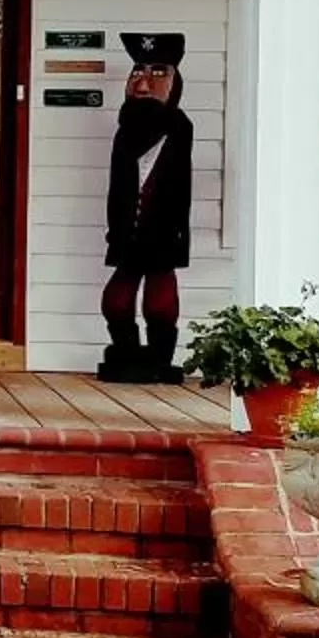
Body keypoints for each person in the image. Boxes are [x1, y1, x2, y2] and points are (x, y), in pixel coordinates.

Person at [101, 31, 195, 384]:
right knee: (117, 298)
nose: (143, 83)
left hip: (162, 230)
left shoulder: (178, 126)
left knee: (159, 300)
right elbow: (117, 183)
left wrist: (173, 231)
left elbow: (178, 186)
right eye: (138, 71)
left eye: (158, 73)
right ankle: (125, 350)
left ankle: (159, 357)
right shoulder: (125, 127)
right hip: (127, 230)